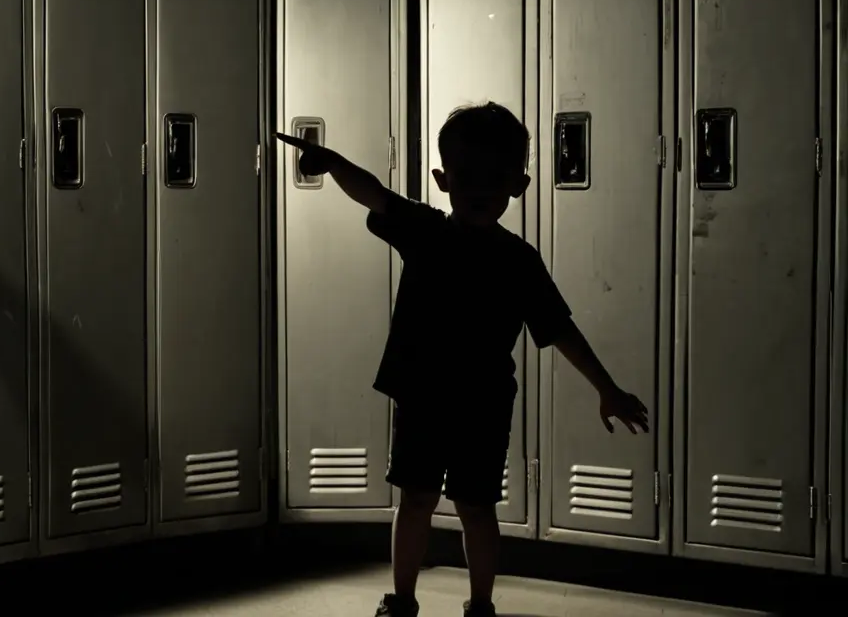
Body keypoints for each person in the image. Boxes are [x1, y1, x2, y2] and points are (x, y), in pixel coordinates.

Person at [275, 102, 649, 617]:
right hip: (425, 397)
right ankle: (403, 600)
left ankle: (480, 605)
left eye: (494, 178)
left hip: (481, 405)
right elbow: (375, 194)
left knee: (475, 508)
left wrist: (606, 388)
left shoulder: (519, 261)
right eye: (468, 175)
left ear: (518, 185)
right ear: (443, 179)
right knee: (417, 500)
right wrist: (334, 162)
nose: (479, 189)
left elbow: (560, 329)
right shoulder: (426, 229)